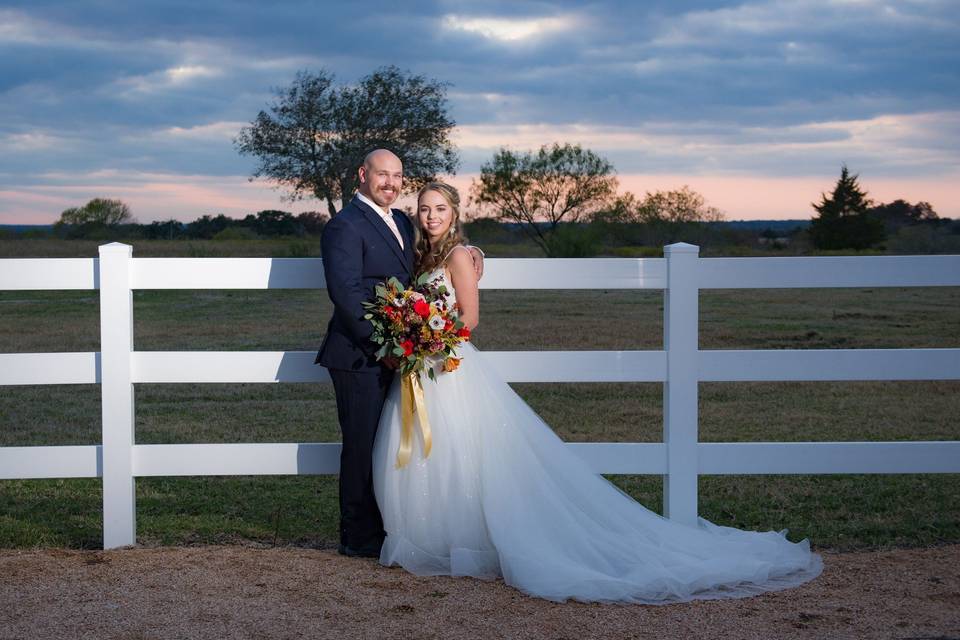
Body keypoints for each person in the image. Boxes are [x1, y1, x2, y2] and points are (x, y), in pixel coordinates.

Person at [371, 182, 823, 604]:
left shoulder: (458, 256)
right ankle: (443, 537)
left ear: (455, 212)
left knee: (469, 449)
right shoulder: (422, 257)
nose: (431, 216)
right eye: (425, 209)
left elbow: (469, 317)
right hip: (420, 367)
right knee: (437, 452)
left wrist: (433, 339)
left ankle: (475, 539)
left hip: (448, 364)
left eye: (440, 209)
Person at [317, 150, 482, 558]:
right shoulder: (344, 226)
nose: (390, 182)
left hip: (404, 352)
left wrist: (473, 252)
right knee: (362, 443)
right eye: (381, 174)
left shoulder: (403, 222)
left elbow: (437, 251)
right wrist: (383, 348)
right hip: (360, 355)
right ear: (362, 175)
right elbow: (347, 294)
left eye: (397, 176)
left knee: (393, 443)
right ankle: (358, 537)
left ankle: (396, 527)